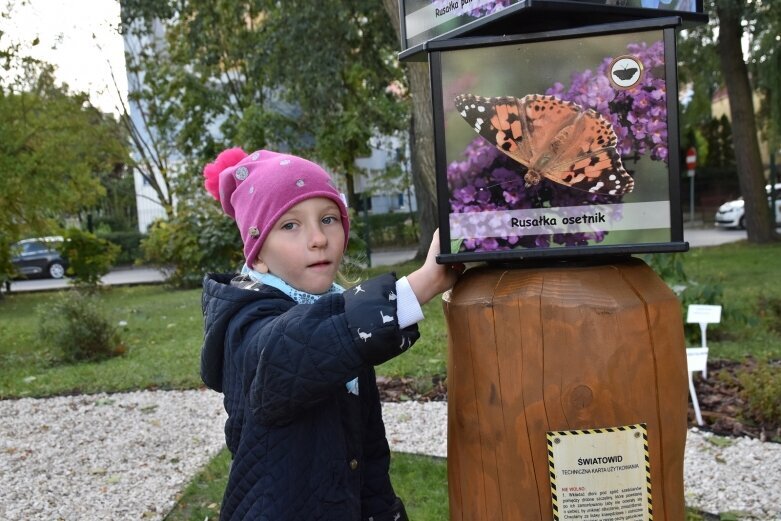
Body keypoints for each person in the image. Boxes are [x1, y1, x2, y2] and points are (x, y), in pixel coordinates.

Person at [200, 148, 461, 520]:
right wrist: (416, 287)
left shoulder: (347, 319)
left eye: (328, 219)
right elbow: (290, 351)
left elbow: (367, 450)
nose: (318, 238)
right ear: (257, 255)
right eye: (290, 225)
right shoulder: (246, 322)